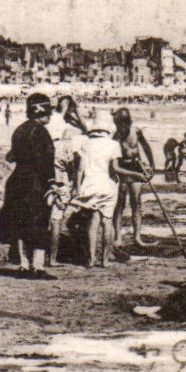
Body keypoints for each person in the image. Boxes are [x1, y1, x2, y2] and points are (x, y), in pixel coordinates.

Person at [0, 92, 57, 276]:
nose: (50, 116)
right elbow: (45, 160)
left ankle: (23, 265)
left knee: (19, 223)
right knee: (40, 222)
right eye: (47, 112)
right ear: (40, 112)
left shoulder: (19, 130)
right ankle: (38, 266)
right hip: (35, 181)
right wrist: (52, 183)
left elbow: (11, 156)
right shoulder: (41, 132)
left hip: (17, 180)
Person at [71, 108, 137, 268]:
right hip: (108, 186)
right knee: (107, 222)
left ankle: (91, 258)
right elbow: (115, 169)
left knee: (93, 223)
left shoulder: (86, 143)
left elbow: (80, 169)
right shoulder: (113, 145)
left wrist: (77, 188)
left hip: (91, 185)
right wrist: (136, 174)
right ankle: (105, 260)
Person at [45, 95, 86, 259]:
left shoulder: (48, 139)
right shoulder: (66, 144)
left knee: (47, 217)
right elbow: (76, 167)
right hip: (62, 181)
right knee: (56, 218)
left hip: (48, 177)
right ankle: (53, 256)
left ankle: (44, 255)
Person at [111, 107, 157, 249]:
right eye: (120, 124)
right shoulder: (116, 136)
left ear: (129, 123)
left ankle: (137, 237)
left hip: (136, 166)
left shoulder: (136, 132)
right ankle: (118, 237)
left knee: (136, 203)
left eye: (125, 124)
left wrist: (152, 165)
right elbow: (113, 160)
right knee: (120, 204)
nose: (123, 127)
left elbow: (146, 147)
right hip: (123, 170)